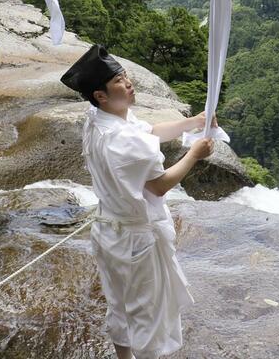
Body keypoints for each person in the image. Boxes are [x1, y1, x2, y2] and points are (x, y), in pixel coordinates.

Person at [61, 44, 215, 359]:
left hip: (108, 231)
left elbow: (150, 130)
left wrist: (194, 122)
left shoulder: (99, 119)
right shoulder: (123, 140)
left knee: (119, 303)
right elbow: (159, 186)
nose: (128, 83)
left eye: (126, 76)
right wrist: (193, 155)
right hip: (136, 240)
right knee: (149, 311)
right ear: (100, 95)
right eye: (118, 81)